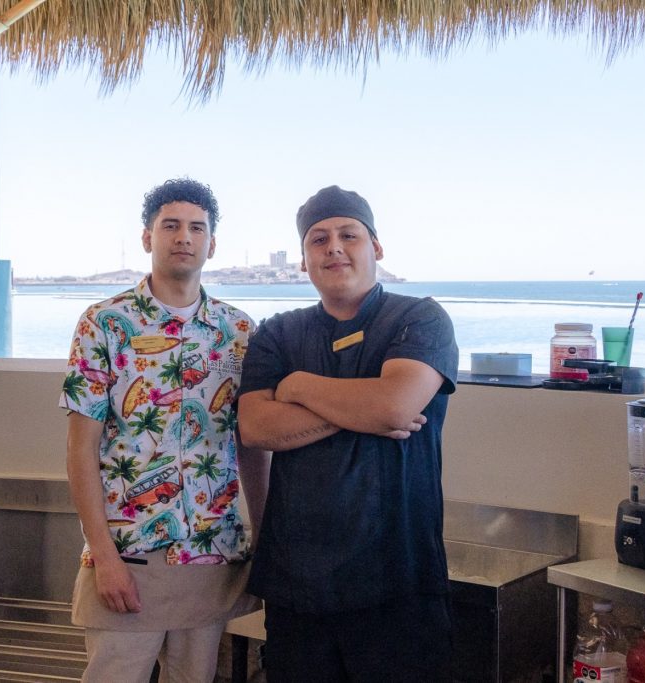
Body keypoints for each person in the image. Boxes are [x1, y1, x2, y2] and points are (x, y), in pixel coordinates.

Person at [238, 185, 459, 682]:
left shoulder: (419, 318)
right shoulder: (277, 333)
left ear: (375, 247)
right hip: (298, 587)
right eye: (318, 239)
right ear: (303, 261)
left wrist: (299, 387)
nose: (333, 247)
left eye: (348, 235)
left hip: (399, 581)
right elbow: (255, 427)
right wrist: (369, 409)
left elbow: (394, 406)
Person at [60, 178, 270, 683]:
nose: (184, 237)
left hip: (212, 551)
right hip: (128, 554)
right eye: (170, 225)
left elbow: (251, 447)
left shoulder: (238, 331)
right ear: (147, 238)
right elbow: (81, 450)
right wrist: (104, 556)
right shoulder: (104, 323)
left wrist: (266, 537)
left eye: (197, 228)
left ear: (212, 244)